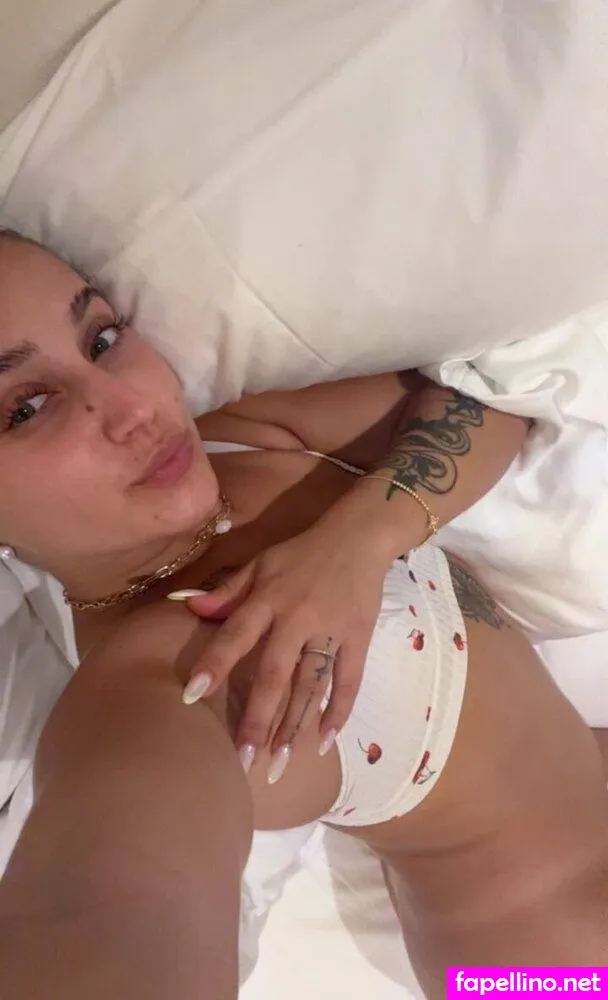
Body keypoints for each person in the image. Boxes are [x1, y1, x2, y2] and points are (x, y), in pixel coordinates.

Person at [0, 232, 606, 999]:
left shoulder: (237, 438)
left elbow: (480, 401)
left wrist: (356, 542)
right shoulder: (167, 683)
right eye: (26, 408)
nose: (133, 407)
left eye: (102, 339)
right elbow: (114, 895)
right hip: (541, 970)